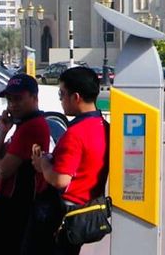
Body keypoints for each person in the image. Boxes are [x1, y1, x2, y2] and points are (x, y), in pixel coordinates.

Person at [23, 67, 109, 255]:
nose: (60, 99)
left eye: (61, 94)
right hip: (86, 209)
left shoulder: (77, 133)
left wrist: (43, 163)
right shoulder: (103, 126)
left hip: (60, 213)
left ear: (75, 97)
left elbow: (61, 180)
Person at [0, 74, 50, 255]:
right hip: (8, 203)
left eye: (18, 99)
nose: (13, 104)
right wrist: (2, 133)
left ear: (34, 98)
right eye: (9, 99)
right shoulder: (20, 126)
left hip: (18, 206)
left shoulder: (32, 126)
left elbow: (3, 170)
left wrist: (1, 161)